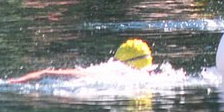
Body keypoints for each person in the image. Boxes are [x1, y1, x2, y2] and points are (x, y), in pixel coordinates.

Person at [9, 38, 155, 83]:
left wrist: (17, 81)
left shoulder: (112, 69)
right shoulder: (146, 76)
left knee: (48, 75)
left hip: (88, 84)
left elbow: (49, 74)